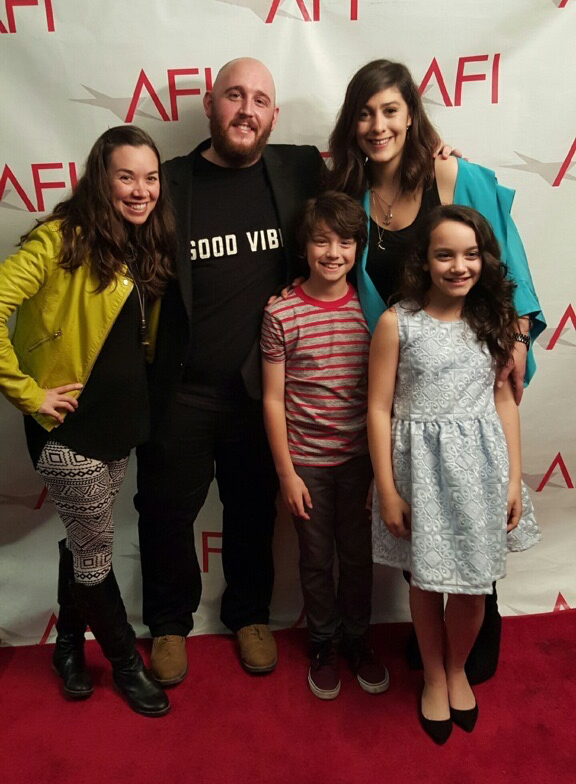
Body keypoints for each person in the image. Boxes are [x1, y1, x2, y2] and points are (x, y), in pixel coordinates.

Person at [328, 59, 546, 682]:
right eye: (366, 112)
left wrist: (520, 331)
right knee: (415, 522)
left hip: (470, 372)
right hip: (402, 379)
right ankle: (432, 652)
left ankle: (472, 640)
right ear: (352, 122)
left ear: (411, 115)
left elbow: (503, 251)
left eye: (391, 110)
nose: (378, 124)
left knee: (478, 513)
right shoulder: (351, 197)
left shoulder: (451, 174)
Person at [135, 58, 325, 684]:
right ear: (210, 106)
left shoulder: (299, 169)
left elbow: (378, 171)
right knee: (164, 513)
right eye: (234, 96)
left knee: (252, 513)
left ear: (274, 115)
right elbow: (102, 222)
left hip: (259, 393)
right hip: (180, 391)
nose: (247, 109)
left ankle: (250, 615)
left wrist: (435, 149)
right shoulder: (167, 181)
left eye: (261, 100)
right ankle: (167, 624)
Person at [0, 126, 175, 717]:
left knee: (84, 541)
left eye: (150, 178)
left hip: (121, 423)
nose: (140, 189)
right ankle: (125, 665)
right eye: (126, 176)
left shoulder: (143, 241)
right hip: (67, 430)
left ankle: (68, 647)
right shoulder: (60, 240)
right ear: (101, 177)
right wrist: (27, 392)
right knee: (96, 555)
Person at [367, 204, 541, 743]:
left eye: (470, 254)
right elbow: (377, 408)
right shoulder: (399, 322)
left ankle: (459, 666)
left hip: (481, 473)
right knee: (425, 580)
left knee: (472, 587)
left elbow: (504, 401)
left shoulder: (493, 322)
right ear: (425, 259)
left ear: (485, 260)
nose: (459, 266)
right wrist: (388, 491)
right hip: (418, 471)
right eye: (445, 254)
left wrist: (512, 479)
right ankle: (435, 674)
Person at [261, 191, 389, 699]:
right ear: (304, 247)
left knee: (358, 559)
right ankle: (321, 641)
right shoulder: (281, 313)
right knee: (315, 560)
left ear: (359, 246)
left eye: (344, 241)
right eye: (321, 241)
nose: (333, 252)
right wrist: (287, 473)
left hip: (361, 461)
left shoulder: (374, 311)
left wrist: (383, 472)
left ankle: (357, 639)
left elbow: (387, 395)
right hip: (307, 465)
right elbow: (273, 400)